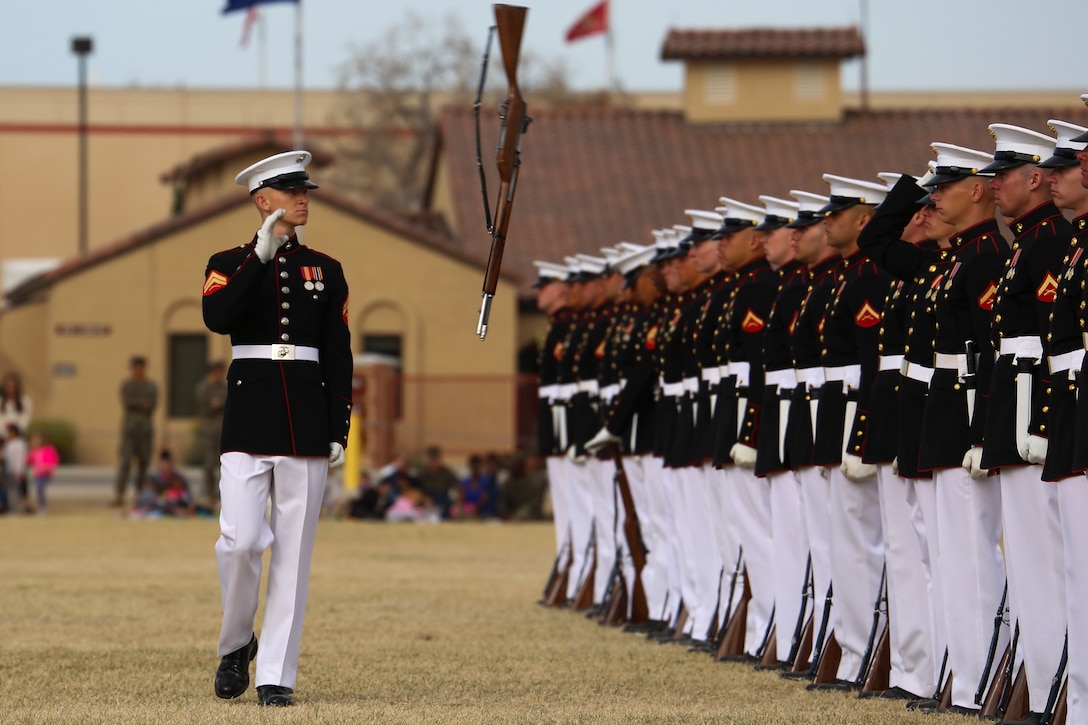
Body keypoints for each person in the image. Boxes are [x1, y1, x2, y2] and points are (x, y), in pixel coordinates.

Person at [202, 150, 352, 707]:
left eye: (305, 191)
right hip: (248, 415)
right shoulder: (228, 261)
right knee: (239, 542)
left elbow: (339, 352)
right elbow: (218, 319)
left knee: (293, 553)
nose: (303, 198)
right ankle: (237, 642)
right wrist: (261, 254)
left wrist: (339, 423)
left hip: (307, 419)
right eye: (292, 192)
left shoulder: (327, 269)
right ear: (264, 201)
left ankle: (275, 678)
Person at [113, 356, 158, 507]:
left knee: (144, 462)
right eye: (136, 368)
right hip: (130, 430)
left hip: (145, 430)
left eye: (141, 367)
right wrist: (141, 402)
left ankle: (140, 494)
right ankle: (120, 494)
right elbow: (128, 403)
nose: (138, 371)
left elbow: (151, 406)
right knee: (125, 462)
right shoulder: (127, 385)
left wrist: (138, 402)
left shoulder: (151, 386)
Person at [194, 360, 227, 505]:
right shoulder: (203, 387)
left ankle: (224, 494)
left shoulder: (224, 387)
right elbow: (204, 405)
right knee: (208, 464)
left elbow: (226, 402)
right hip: (207, 431)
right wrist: (216, 404)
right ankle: (210, 495)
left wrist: (217, 404)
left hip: (222, 429)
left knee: (224, 464)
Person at [415, 445, 459, 519]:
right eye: (432, 459)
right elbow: (417, 489)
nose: (434, 461)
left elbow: (457, 487)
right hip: (425, 504)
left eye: (436, 459)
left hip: (442, 502)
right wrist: (424, 499)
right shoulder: (422, 474)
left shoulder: (446, 473)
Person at [27, 431, 59, 515]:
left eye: (36, 440)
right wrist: (30, 452)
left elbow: (54, 460)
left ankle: (43, 507)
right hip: (38, 474)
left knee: (39, 488)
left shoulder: (49, 449)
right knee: (38, 490)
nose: (35, 442)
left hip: (46, 474)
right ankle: (41, 507)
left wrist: (47, 466)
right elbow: (29, 461)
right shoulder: (35, 451)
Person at [2, 422, 28, 514]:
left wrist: (19, 471)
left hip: (17, 471)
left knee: (17, 491)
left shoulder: (20, 444)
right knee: (9, 490)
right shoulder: (8, 444)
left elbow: (20, 458)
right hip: (9, 470)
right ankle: (11, 508)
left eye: (9, 432)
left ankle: (16, 509)